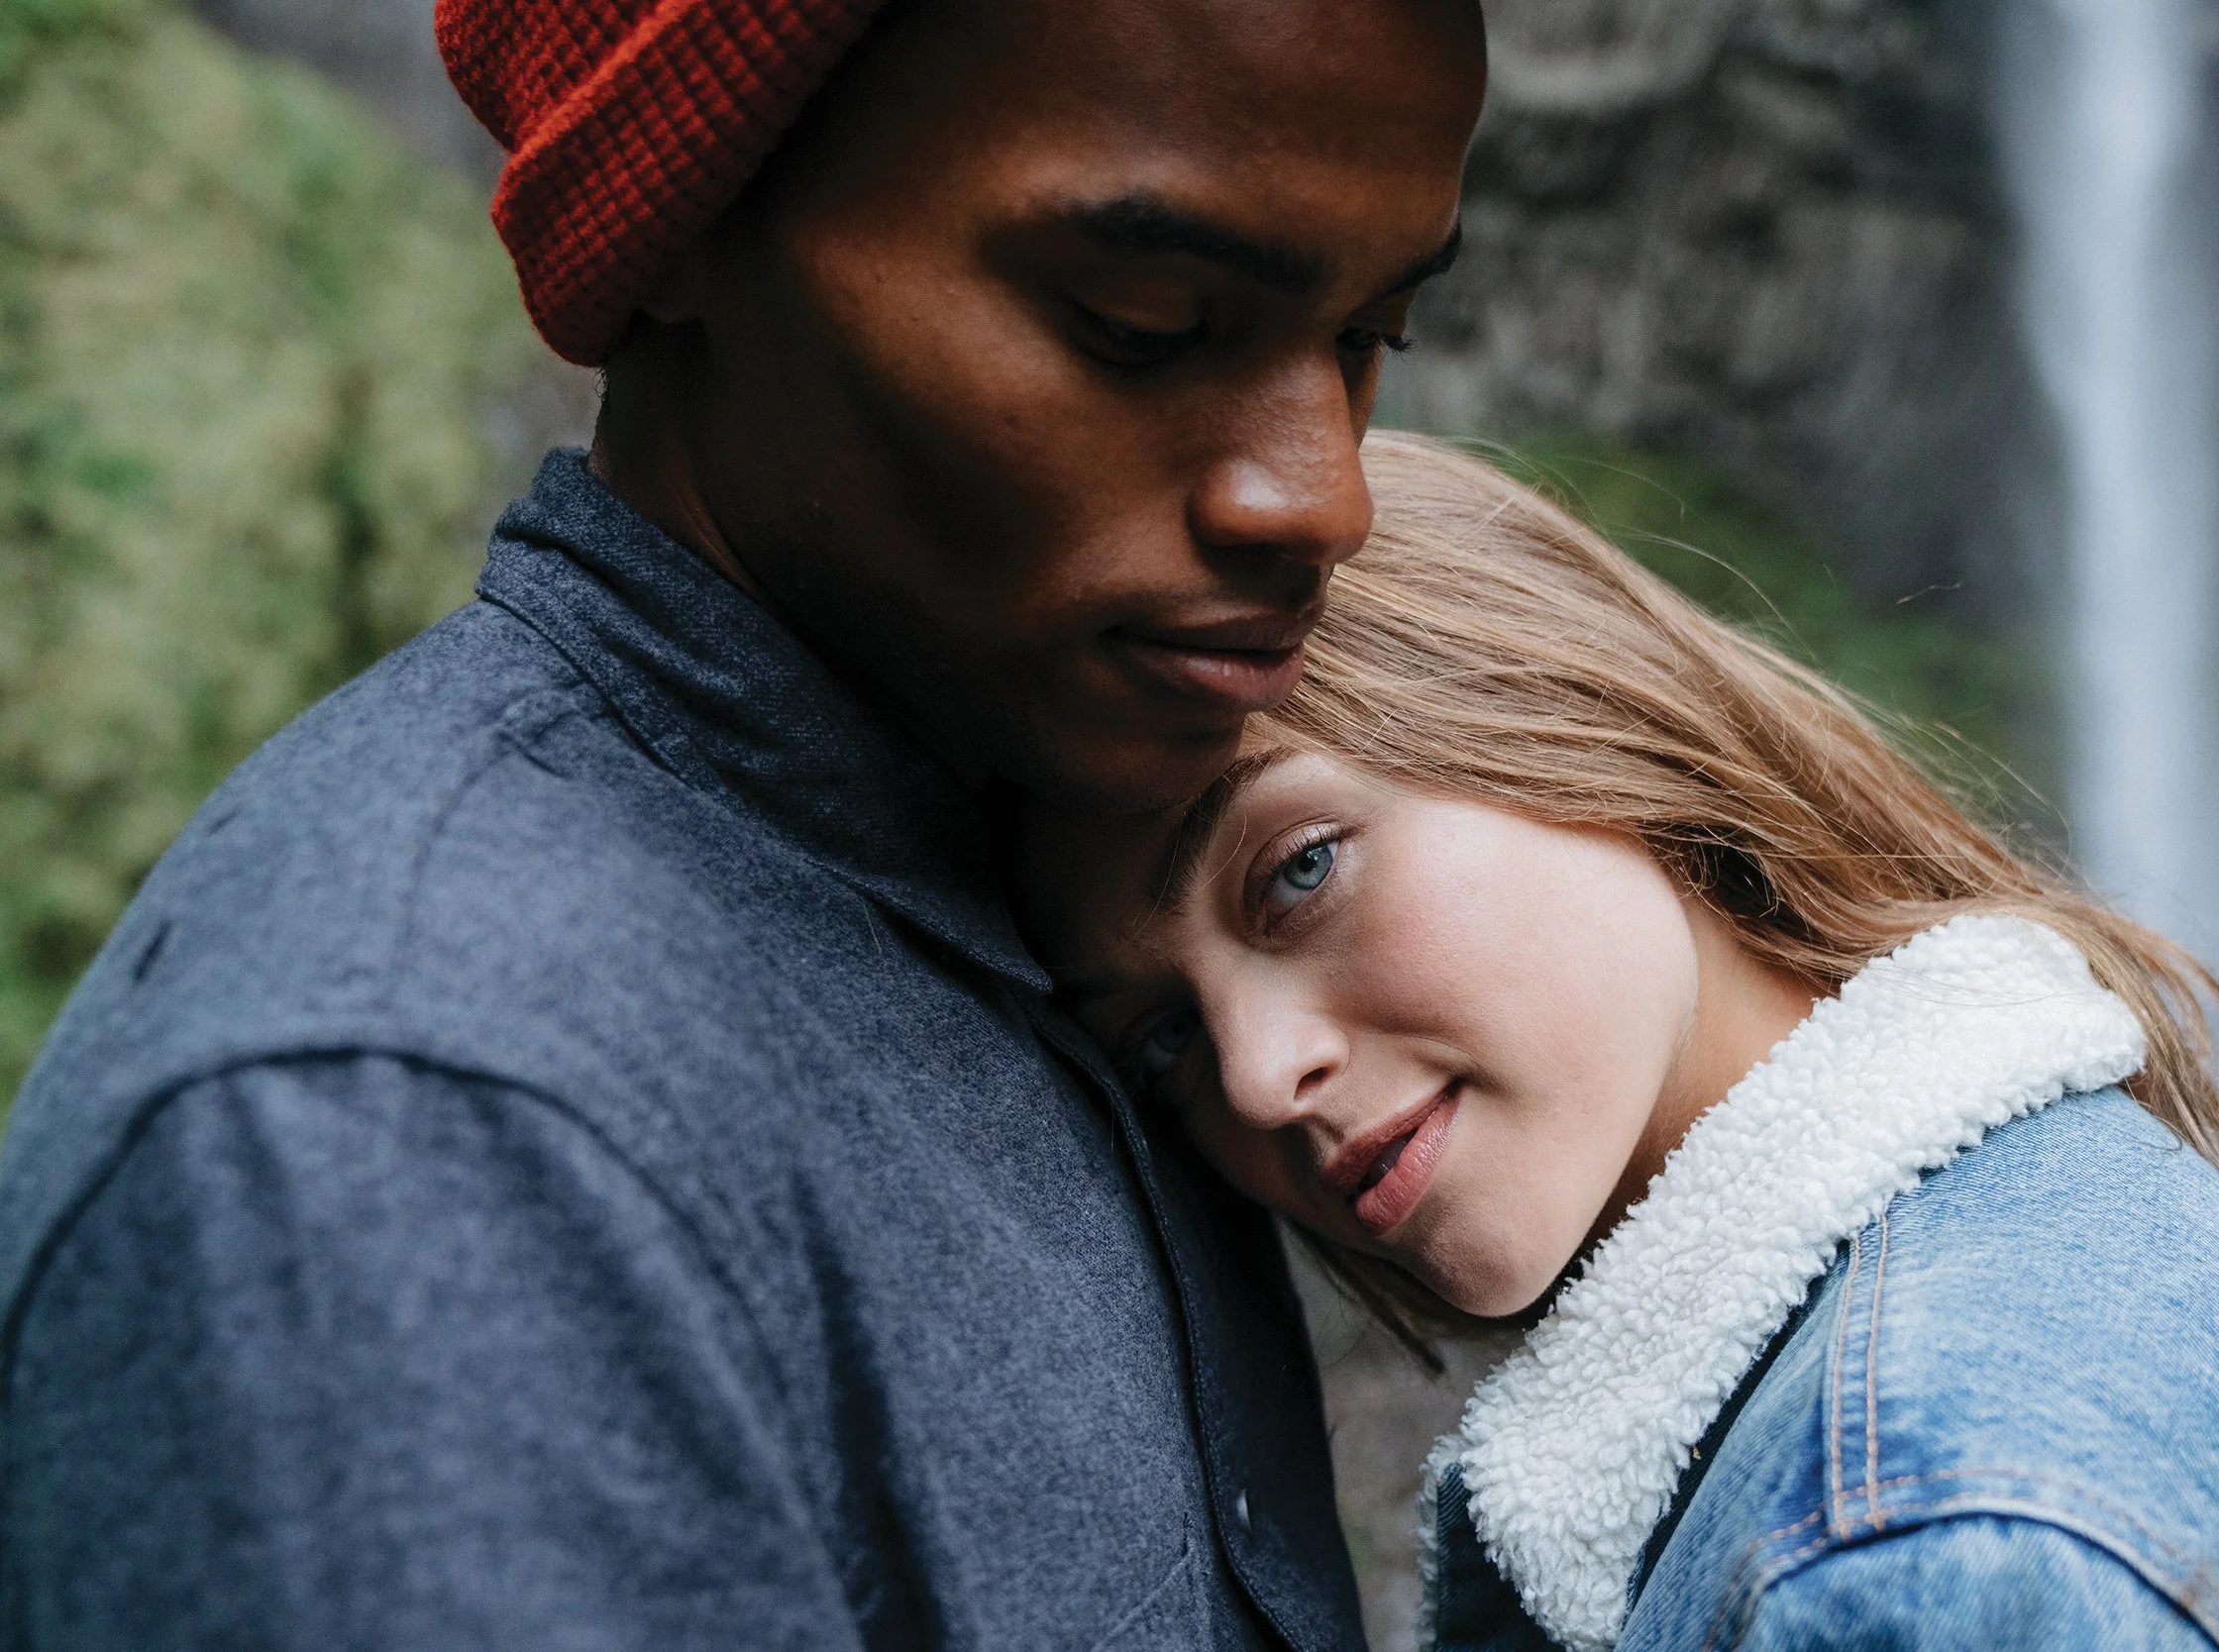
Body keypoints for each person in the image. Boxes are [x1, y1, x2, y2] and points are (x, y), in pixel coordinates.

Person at [0, 3, 1486, 1646]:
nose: (1324, 493)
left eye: (1373, 337)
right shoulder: (416, 1133)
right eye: (1140, 322)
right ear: (695, 220)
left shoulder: (1078, 882)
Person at [1021, 433, 2219, 1651]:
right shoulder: (2060, 1237)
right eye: (1161, 1042)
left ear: (1573, 713)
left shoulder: (1909, 1545)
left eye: (1299, 870)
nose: (1257, 1079)